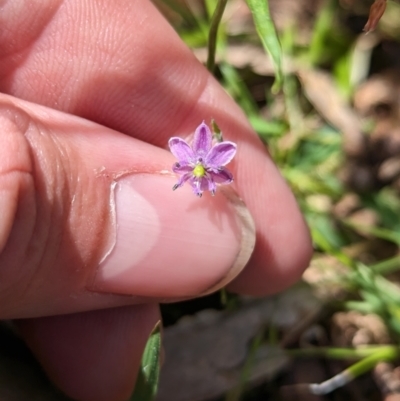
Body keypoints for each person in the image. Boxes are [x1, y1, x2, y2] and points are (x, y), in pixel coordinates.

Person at [0, 1, 312, 400]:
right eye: (197, 169)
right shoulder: (193, 154)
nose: (199, 172)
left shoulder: (209, 160)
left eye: (202, 170)